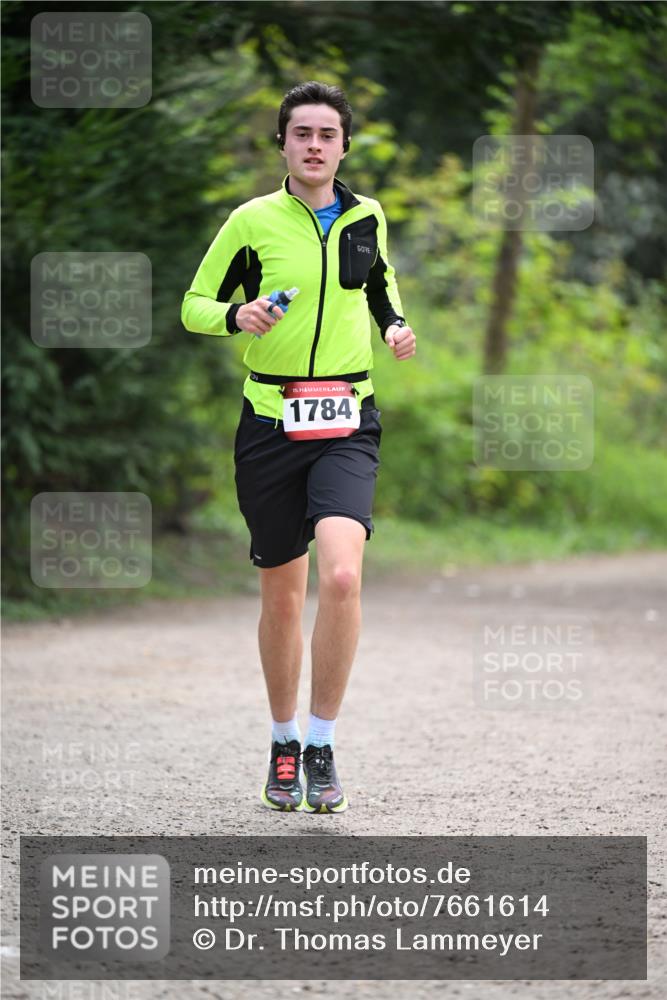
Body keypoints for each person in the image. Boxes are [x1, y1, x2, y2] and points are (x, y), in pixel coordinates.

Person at [182, 80, 416, 813]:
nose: (314, 145)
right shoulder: (250, 221)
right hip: (270, 424)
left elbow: (380, 288)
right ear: (282, 144)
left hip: (348, 417)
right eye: (300, 133)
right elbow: (192, 305)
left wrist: (395, 328)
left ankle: (321, 741)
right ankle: (283, 742)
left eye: (327, 134)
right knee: (282, 597)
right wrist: (235, 315)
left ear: (343, 145)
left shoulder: (367, 216)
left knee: (341, 577)